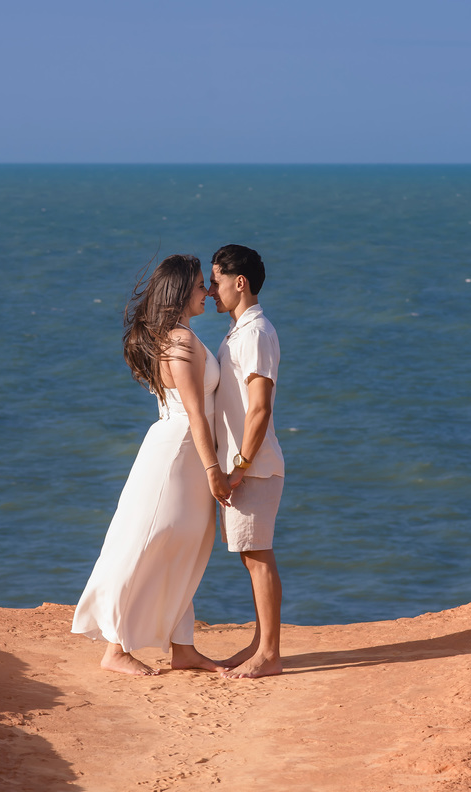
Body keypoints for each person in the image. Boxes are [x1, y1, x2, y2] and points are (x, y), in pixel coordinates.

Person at [71, 254, 233, 676]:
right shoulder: (178, 341)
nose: (208, 292)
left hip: (187, 453)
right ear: (181, 292)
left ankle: (183, 647)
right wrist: (215, 470)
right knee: (148, 542)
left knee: (186, 544)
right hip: (178, 454)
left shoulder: (182, 335)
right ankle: (115, 648)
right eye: (201, 285)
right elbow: (195, 413)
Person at [208, 244, 285, 679]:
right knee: (250, 555)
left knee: (258, 556)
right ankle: (261, 644)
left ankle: (270, 654)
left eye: (216, 280)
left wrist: (238, 466)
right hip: (247, 465)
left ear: (240, 282)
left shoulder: (254, 333)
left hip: (252, 467)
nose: (211, 290)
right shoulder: (241, 331)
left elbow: (260, 407)